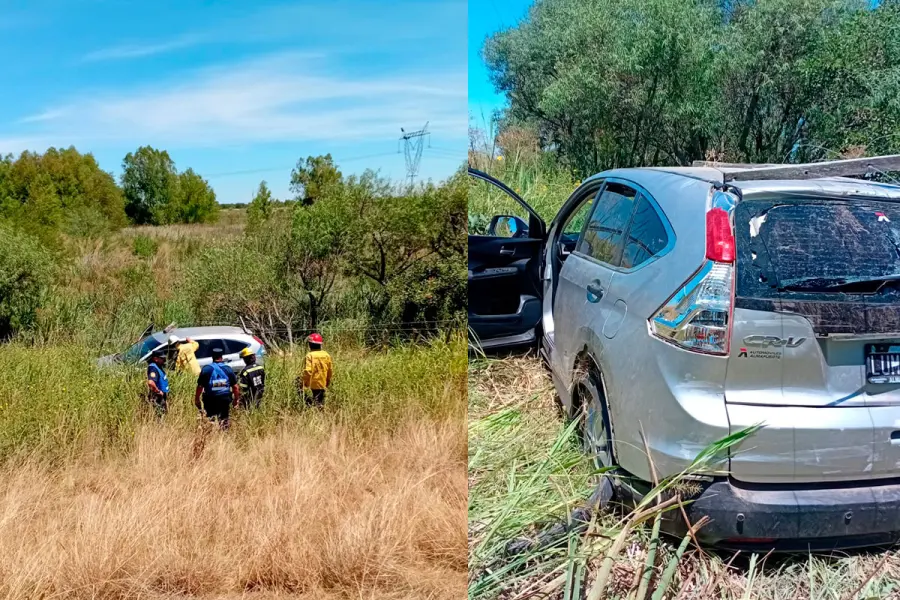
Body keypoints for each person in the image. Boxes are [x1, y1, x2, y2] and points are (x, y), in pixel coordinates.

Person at [194, 347, 240, 429]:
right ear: (221, 357)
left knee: (210, 419)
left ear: (212, 357)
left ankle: (211, 435)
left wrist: (197, 398)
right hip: (225, 399)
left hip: (210, 399)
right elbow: (235, 387)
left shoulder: (206, 369)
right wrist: (236, 399)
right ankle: (224, 436)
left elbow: (200, 386)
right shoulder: (228, 369)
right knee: (224, 419)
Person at [300, 333, 333, 407]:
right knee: (320, 399)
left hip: (313, 382)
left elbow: (308, 371)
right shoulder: (326, 355)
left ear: (310, 344)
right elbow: (330, 369)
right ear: (320, 344)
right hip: (323, 382)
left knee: (300, 391)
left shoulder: (310, 355)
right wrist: (328, 380)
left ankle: (310, 405)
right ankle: (318, 409)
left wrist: (302, 382)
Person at [146, 349, 170, 415]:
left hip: (161, 396)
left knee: (163, 414)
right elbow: (150, 382)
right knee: (160, 416)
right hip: (157, 397)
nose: (164, 360)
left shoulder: (158, 366)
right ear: (155, 359)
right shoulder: (153, 368)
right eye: (162, 358)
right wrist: (158, 391)